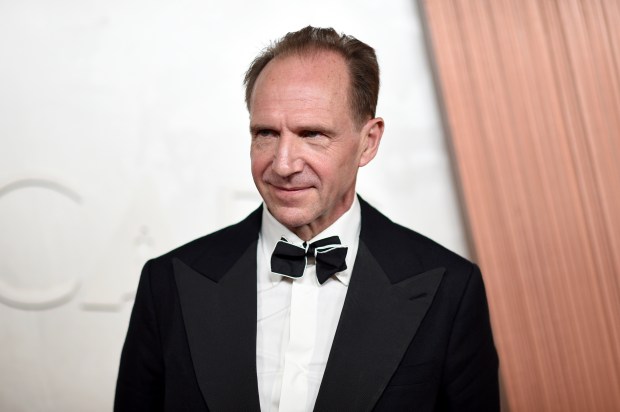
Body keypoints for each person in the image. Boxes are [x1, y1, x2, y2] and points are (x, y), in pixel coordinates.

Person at [115, 26, 499, 411]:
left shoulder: (451, 289)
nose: (283, 164)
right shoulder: (167, 283)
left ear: (369, 142)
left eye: (312, 134)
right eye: (266, 133)